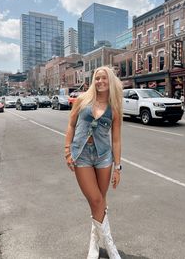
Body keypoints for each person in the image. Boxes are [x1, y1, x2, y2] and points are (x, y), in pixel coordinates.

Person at [65, 66, 123, 259]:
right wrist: (67, 151)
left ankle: (94, 243)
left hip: (104, 157)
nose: (100, 82)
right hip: (82, 155)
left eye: (104, 78)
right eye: (97, 78)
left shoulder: (114, 107)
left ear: (110, 81)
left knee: (100, 202)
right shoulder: (82, 100)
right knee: (96, 200)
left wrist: (118, 167)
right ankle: (110, 243)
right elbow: (71, 125)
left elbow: (116, 139)